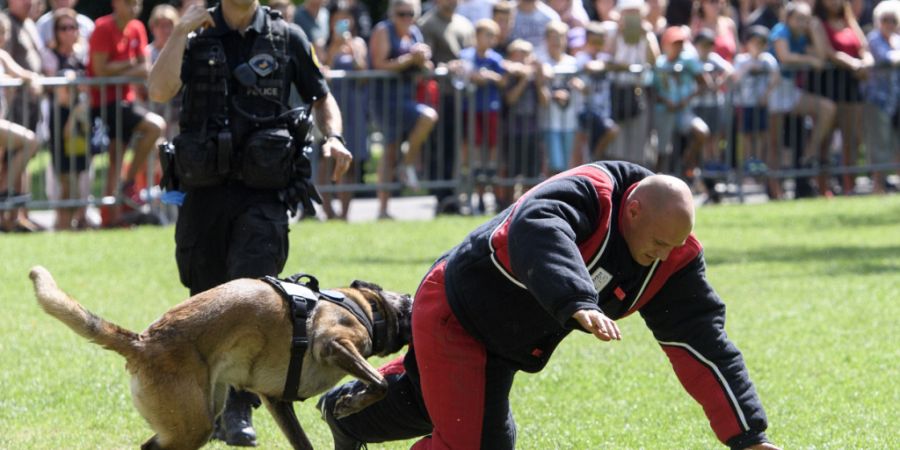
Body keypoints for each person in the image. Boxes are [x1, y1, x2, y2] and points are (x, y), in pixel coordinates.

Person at [317, 160, 781, 450]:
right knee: (475, 444)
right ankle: (355, 410)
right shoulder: (590, 190)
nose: (663, 255)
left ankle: (346, 411)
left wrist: (749, 437)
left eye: (674, 246)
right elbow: (536, 229)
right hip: (454, 314)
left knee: (439, 412)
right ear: (633, 211)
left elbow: (703, 343)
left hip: (506, 344)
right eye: (658, 242)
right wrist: (576, 298)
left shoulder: (671, 252)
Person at [147, 0, 353, 446]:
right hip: (204, 191)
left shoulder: (287, 37)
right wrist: (178, 33)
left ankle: (240, 409)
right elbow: (159, 90)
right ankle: (209, 402)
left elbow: (321, 95)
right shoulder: (196, 33)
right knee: (203, 294)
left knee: (251, 289)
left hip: (264, 191)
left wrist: (333, 137)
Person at [88, 0, 166, 228]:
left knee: (117, 156)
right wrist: (131, 67)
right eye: (128, 2)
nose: (134, 7)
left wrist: (121, 66)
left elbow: (146, 66)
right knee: (154, 126)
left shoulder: (137, 28)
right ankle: (126, 184)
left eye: (137, 3)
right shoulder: (103, 27)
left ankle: (112, 215)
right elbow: (100, 68)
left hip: (125, 101)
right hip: (104, 103)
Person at [369, 0, 438, 219]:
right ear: (392, 13)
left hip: (406, 97)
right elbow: (379, 64)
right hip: (385, 98)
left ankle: (406, 164)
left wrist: (423, 61)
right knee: (389, 151)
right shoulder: (383, 30)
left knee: (427, 118)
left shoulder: (415, 33)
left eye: (410, 13)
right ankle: (382, 208)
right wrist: (410, 59)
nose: (406, 18)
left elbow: (425, 68)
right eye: (401, 13)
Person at [767, 1, 837, 198]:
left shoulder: (803, 35)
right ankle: (775, 190)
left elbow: (822, 57)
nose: (802, 23)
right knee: (775, 143)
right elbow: (785, 56)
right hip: (773, 90)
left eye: (806, 20)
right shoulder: (780, 30)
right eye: (799, 19)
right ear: (788, 19)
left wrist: (814, 29)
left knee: (827, 109)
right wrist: (809, 60)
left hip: (789, 90)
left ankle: (810, 153)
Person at [811, 0, 873, 195]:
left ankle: (849, 185)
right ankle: (823, 186)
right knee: (826, 140)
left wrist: (866, 63)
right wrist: (853, 64)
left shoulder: (849, 20)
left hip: (851, 87)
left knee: (852, 138)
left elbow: (864, 46)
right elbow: (828, 51)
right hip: (827, 86)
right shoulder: (817, 22)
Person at [42, 8, 92, 230]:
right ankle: (62, 226)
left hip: (80, 121)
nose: (69, 32)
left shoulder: (82, 55)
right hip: (62, 120)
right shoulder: (51, 56)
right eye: (63, 28)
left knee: (80, 175)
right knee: (66, 179)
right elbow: (60, 94)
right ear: (56, 32)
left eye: (73, 27)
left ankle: (74, 224)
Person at [323, 0, 369, 220]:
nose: (343, 22)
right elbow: (323, 72)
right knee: (326, 159)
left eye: (346, 18)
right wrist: (334, 47)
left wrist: (353, 50)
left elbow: (363, 74)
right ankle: (327, 210)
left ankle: (345, 212)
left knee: (349, 159)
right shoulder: (324, 43)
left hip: (353, 106)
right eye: (338, 18)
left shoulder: (358, 43)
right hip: (330, 106)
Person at [458, 18, 506, 214]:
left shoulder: (495, 58)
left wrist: (490, 77)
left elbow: (503, 81)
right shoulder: (466, 55)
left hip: (491, 109)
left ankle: (492, 194)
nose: (490, 39)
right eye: (487, 34)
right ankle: (475, 196)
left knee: (492, 149)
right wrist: (475, 76)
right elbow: (462, 73)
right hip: (471, 109)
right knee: (474, 150)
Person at [0, 11, 41, 232]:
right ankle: (5, 191)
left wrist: (32, 80)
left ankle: (5, 195)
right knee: (29, 141)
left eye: (4, 33)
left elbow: (23, 73)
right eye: (0, 33)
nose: (3, 38)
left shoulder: (2, 56)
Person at [652, 25, 710, 178]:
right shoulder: (659, 64)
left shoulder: (688, 60)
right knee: (663, 151)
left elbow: (704, 83)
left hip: (684, 111)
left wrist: (687, 99)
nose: (678, 47)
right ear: (665, 45)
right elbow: (651, 90)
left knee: (701, 132)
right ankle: (656, 183)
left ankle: (687, 163)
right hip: (664, 111)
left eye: (680, 43)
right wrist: (666, 101)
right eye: (674, 43)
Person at [607, 0, 659, 167]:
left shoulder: (647, 34)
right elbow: (607, 59)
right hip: (618, 91)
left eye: (635, 12)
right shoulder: (613, 33)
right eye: (628, 12)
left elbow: (656, 61)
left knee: (638, 140)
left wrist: (646, 36)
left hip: (639, 91)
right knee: (619, 141)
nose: (632, 16)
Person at [732, 26, 780, 196]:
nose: (757, 47)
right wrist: (749, 66)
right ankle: (747, 162)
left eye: (761, 43)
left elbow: (776, 77)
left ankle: (758, 161)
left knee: (761, 134)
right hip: (745, 104)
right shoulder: (742, 60)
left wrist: (766, 94)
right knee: (746, 134)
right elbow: (735, 77)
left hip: (761, 104)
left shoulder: (768, 60)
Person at [862, 0, 900, 194]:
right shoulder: (874, 38)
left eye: (893, 20)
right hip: (878, 100)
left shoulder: (897, 39)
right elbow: (887, 58)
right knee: (880, 146)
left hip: (896, 101)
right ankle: (878, 188)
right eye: (885, 20)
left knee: (895, 144)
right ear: (878, 21)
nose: (890, 24)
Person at [691, 28, 732, 203]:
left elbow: (730, 70)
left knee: (714, 142)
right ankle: (701, 178)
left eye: (709, 45)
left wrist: (719, 83)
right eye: (703, 45)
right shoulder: (692, 60)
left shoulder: (714, 60)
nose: (706, 48)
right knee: (701, 142)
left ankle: (712, 176)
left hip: (714, 105)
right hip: (698, 106)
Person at [539, 20, 584, 174]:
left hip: (569, 122)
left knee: (566, 166)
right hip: (550, 122)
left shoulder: (573, 62)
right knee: (555, 164)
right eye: (552, 37)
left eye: (560, 37)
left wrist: (580, 86)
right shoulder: (542, 60)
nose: (556, 41)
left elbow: (584, 89)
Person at [574, 21, 619, 164]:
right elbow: (590, 66)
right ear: (587, 40)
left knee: (608, 133)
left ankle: (595, 159)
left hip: (603, 111)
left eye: (600, 41)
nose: (597, 45)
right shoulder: (581, 57)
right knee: (583, 147)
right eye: (594, 41)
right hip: (585, 109)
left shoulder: (606, 59)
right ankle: (593, 161)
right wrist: (606, 65)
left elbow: (617, 65)